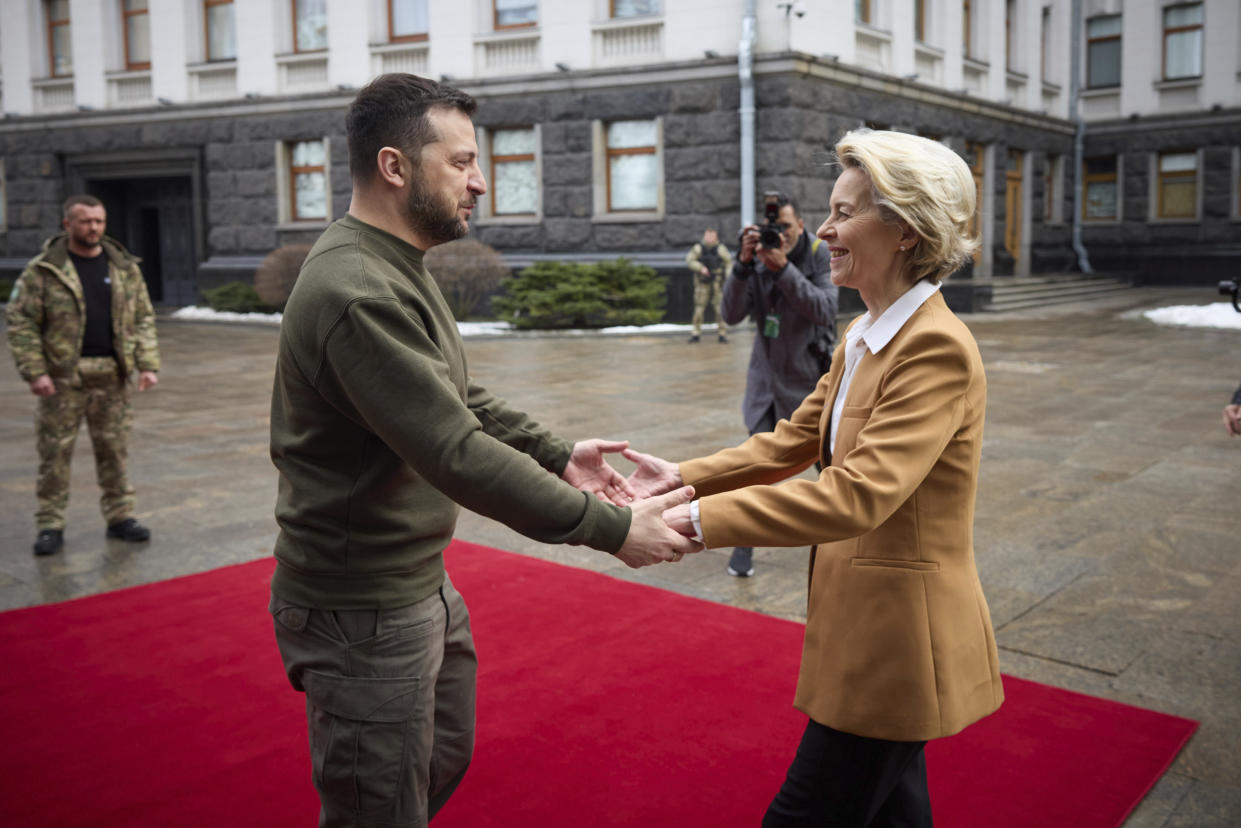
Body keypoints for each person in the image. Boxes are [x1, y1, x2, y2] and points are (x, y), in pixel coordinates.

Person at [267, 74, 701, 828]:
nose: (481, 182)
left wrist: (556, 453)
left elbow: (454, 398)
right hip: (361, 606)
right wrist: (612, 529)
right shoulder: (356, 288)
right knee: (378, 809)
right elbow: (455, 450)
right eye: (462, 162)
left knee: (436, 764)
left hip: (413, 582)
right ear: (396, 166)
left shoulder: (392, 263)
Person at [626, 129, 1004, 826]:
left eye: (845, 212)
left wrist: (695, 523)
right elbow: (793, 441)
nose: (823, 229)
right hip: (866, 626)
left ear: (907, 233)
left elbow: (855, 495)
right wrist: (678, 478)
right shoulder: (869, 331)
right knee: (893, 813)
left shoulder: (934, 347)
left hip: (896, 642)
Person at [5, 194, 160, 556]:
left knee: (115, 452)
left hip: (112, 375)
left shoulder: (123, 267)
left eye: (99, 221)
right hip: (62, 379)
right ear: (67, 224)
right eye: (86, 221)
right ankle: (50, 523)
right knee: (55, 455)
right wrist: (35, 371)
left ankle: (120, 516)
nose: (94, 228)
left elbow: (143, 317)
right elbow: (21, 323)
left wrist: (148, 363)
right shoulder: (44, 270)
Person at [719, 192, 838, 577]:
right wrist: (742, 266)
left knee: (831, 471)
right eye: (773, 229)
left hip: (809, 384)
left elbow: (825, 308)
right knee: (753, 469)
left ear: (801, 225)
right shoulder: (756, 260)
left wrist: (784, 269)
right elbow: (731, 314)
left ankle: (845, 543)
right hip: (767, 383)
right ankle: (743, 548)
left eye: (786, 227)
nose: (779, 236)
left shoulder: (819, 253)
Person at [685, 227, 732, 343]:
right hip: (702, 282)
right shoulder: (698, 248)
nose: (710, 238)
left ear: (716, 236)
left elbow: (729, 262)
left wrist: (729, 278)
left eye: (712, 235)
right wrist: (700, 268)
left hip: (717, 282)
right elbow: (689, 260)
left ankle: (722, 333)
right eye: (708, 235)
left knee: (719, 308)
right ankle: (695, 333)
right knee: (699, 308)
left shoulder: (720, 248)